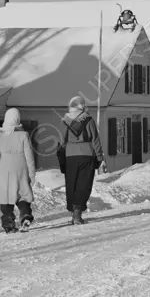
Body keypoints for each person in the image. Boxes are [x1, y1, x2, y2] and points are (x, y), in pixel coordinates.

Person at [57, 95, 106, 224]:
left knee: (71, 184)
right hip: (87, 155)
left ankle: (73, 211)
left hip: (70, 156)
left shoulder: (64, 121)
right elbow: (95, 139)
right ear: (83, 106)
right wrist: (99, 156)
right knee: (84, 184)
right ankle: (78, 210)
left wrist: (61, 159)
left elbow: (61, 143)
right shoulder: (88, 120)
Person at [0, 107, 36, 233]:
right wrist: (32, 174)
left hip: (3, 172)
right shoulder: (24, 135)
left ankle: (8, 223)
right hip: (20, 170)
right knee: (23, 196)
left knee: (5, 199)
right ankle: (25, 215)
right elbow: (29, 157)